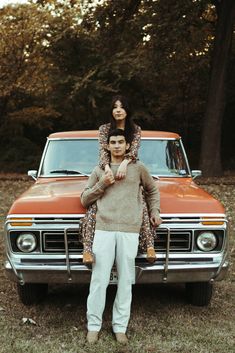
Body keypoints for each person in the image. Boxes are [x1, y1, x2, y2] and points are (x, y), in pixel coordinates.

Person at [81, 129, 162, 343]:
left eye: (121, 142)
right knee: (99, 280)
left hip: (129, 230)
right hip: (104, 229)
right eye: (113, 142)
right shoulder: (99, 170)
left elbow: (152, 191)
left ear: (127, 146)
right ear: (107, 146)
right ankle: (94, 326)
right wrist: (103, 184)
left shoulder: (138, 169)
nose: (117, 145)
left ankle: (120, 327)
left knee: (126, 280)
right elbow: (85, 198)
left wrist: (155, 212)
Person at [82, 95, 157, 265]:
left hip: (128, 166)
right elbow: (103, 151)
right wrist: (107, 169)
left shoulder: (135, 130)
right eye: (115, 107)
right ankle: (87, 250)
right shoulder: (104, 129)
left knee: (140, 199)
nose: (118, 110)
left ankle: (150, 246)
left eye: (122, 107)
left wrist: (124, 164)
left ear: (127, 110)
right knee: (94, 204)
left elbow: (133, 151)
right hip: (107, 167)